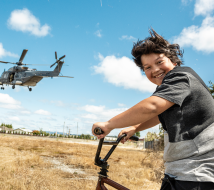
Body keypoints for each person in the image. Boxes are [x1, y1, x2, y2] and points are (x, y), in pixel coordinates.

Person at [92, 28, 214, 190]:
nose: (155, 70)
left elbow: (152, 107)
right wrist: (135, 127)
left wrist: (109, 124)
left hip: (197, 176)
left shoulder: (181, 76)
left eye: (159, 62)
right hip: (179, 173)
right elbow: (159, 113)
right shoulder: (169, 90)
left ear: (174, 61)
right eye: (147, 67)